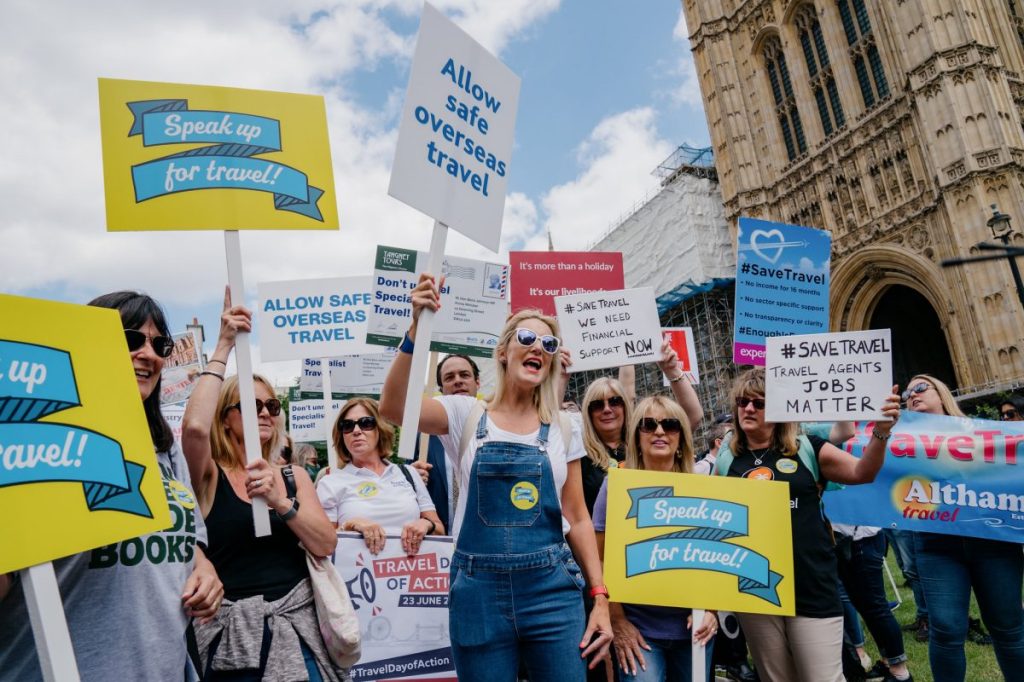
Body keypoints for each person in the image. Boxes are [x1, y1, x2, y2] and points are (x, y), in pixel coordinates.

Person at [379, 272, 613, 681]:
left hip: (552, 594)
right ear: (503, 352)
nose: (538, 346)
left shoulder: (564, 426)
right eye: (527, 338)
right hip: (479, 596)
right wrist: (416, 329)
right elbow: (393, 406)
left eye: (549, 343)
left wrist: (599, 598)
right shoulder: (463, 413)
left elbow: (576, 518)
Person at [0, 291, 222, 681]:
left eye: (159, 344)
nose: (149, 354)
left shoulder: (165, 451)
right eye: (130, 339)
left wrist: (204, 571)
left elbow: (190, 543)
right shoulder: (34, 445)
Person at [181, 294, 342, 681]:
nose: (267, 412)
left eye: (272, 405)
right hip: (231, 641)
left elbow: (325, 544)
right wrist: (222, 345)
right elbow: (193, 428)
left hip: (296, 634)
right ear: (226, 419)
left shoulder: (293, 477)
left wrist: (280, 501)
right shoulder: (208, 476)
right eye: (252, 407)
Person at [715, 367, 901, 682]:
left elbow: (862, 473)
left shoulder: (805, 447)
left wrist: (881, 432)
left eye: (759, 403)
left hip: (811, 581)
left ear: (778, 411)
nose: (748, 409)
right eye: (742, 402)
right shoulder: (727, 459)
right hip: (755, 587)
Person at [904, 374, 1024, 682]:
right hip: (936, 543)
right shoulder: (899, 442)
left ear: (941, 392)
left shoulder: (987, 433)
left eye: (920, 388)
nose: (912, 395)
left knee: (1008, 626)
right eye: (907, 393)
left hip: (994, 541)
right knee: (945, 628)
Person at [593, 395, 717, 681]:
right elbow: (599, 558)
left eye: (670, 425)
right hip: (639, 628)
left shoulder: (704, 487)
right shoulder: (615, 486)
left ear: (682, 438)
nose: (660, 432)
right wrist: (618, 619)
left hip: (694, 626)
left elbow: (719, 558)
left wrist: (712, 610)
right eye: (649, 425)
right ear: (637, 436)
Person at [316, 397, 443, 556]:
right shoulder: (330, 483)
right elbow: (322, 545)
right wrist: (350, 525)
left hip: (409, 575)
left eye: (366, 423)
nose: (356, 431)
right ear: (341, 435)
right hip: (357, 577)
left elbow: (439, 530)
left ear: (380, 428)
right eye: (347, 426)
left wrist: (426, 524)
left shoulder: (408, 474)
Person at [410, 353, 482, 531]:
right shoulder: (425, 434)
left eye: (464, 375)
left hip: (482, 538)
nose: (458, 381)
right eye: (449, 377)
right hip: (439, 541)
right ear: (441, 390)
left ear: (477, 383)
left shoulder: (496, 426)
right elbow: (408, 491)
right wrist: (412, 478)